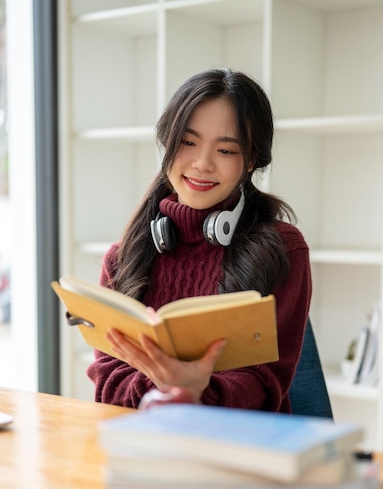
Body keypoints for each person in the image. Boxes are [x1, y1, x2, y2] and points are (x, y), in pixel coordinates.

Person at [87, 68, 312, 411]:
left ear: (251, 160)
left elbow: (267, 385)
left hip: (237, 448)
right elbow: (107, 385)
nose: (202, 164)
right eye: (188, 143)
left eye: (225, 151)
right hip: (144, 446)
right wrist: (170, 385)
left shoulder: (282, 249)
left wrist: (198, 391)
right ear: (168, 143)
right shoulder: (125, 257)